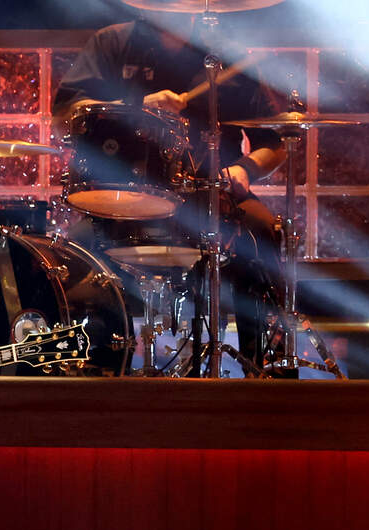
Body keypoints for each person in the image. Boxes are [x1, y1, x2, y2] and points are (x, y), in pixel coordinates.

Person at [54, 12, 288, 370]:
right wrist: (135, 107)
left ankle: (260, 367)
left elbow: (275, 141)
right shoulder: (112, 43)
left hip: (211, 196)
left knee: (264, 233)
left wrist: (245, 168)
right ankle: (101, 367)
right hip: (121, 199)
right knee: (74, 258)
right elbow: (65, 114)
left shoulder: (227, 53)